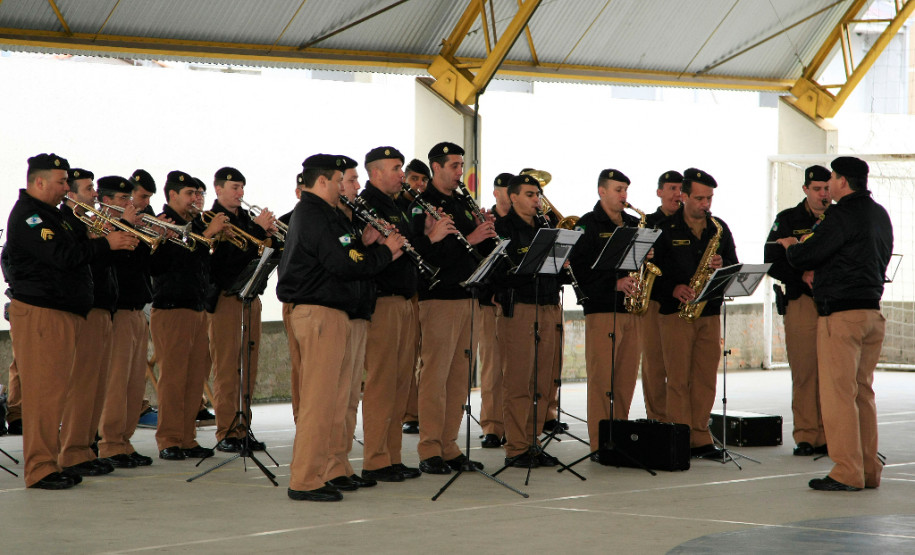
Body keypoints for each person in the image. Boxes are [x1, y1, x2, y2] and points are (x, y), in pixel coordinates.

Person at [6, 153, 137, 489]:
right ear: (38, 182)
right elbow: (63, 257)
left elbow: (78, 249)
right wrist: (105, 244)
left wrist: (103, 239)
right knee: (44, 395)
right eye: (61, 181)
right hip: (42, 312)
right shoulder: (31, 217)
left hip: (64, 311)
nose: (66, 187)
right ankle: (40, 469)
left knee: (56, 391)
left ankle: (50, 463)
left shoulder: (55, 216)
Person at [278, 154, 402, 502]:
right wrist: (385, 253)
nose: (346, 187)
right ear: (322, 182)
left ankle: (327, 469)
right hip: (320, 313)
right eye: (339, 181)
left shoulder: (327, 214)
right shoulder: (313, 213)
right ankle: (305, 479)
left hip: (337, 312)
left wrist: (365, 244)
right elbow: (342, 262)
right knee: (318, 402)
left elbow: (346, 255)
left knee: (337, 400)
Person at [778, 156, 892, 491]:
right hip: (872, 312)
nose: (829, 188)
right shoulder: (879, 214)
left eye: (833, 180)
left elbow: (807, 255)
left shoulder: (840, 215)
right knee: (862, 393)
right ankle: (869, 469)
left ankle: (846, 471)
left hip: (841, 316)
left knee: (838, 394)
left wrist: (792, 246)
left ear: (843, 181)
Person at [409, 141, 497, 474]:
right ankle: (429, 448)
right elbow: (425, 256)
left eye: (461, 165)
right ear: (436, 167)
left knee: (459, 378)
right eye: (455, 166)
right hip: (439, 298)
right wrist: (471, 239)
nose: (461, 172)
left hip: (467, 296)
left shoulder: (460, 201)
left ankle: (449, 445)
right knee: (435, 375)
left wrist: (487, 232)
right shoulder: (422, 205)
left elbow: (476, 248)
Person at [652, 168, 738, 460]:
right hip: (676, 313)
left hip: (709, 311)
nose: (706, 204)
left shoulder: (718, 228)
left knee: (704, 378)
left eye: (709, 198)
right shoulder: (664, 229)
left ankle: (701, 436)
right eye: (699, 198)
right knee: (678, 378)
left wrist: (722, 262)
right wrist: (673, 287)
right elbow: (652, 274)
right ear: (683, 196)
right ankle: (680, 435)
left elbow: (734, 266)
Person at [358, 147, 426, 482]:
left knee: (401, 384)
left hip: (405, 301)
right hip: (382, 303)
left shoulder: (398, 205)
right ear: (376, 172)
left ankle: (393, 456)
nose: (403, 174)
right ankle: (375, 459)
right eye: (396, 168)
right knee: (382, 384)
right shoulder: (365, 205)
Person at [149, 170, 226, 461]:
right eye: (190, 194)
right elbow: (161, 265)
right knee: (173, 378)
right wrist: (206, 236)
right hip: (172, 308)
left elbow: (204, 264)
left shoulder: (193, 225)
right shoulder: (162, 223)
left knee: (194, 378)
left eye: (199, 194)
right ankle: (168, 438)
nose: (197, 199)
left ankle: (186, 437)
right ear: (172, 196)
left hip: (197, 308)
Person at [492, 174, 565, 468]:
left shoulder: (545, 227)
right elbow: (497, 273)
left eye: (538, 194)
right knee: (519, 381)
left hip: (549, 306)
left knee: (544, 381)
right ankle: (516, 447)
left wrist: (563, 264)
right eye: (531, 194)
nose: (537, 200)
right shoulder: (502, 228)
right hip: (520, 308)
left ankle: (533, 442)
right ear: (513, 197)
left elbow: (558, 275)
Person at [568, 169, 641, 454]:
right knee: (602, 381)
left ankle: (619, 436)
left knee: (624, 379)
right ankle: (600, 444)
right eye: (618, 189)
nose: (624, 195)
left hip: (631, 311)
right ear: (602, 191)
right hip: (601, 310)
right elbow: (578, 270)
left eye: (626, 190)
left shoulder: (634, 224)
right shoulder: (587, 225)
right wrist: (615, 282)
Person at [207, 166, 278, 453]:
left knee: (248, 365)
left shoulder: (246, 220)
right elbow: (224, 263)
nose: (240, 193)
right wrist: (258, 230)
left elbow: (263, 252)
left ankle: (243, 428)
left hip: (250, 297)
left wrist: (271, 234)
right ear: (218, 189)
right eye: (234, 187)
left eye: (242, 187)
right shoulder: (210, 219)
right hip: (226, 298)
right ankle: (226, 431)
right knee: (227, 366)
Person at [764, 165, 831, 457]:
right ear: (805, 189)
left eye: (827, 188)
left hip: (833, 301)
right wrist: (800, 276)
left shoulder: (838, 218)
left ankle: (831, 433)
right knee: (804, 371)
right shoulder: (788, 219)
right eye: (817, 189)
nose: (823, 195)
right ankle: (806, 435)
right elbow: (771, 260)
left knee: (832, 373)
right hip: (802, 302)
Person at [57, 169, 119, 477]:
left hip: (103, 306)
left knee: (96, 385)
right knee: (82, 385)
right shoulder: (67, 222)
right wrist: (101, 241)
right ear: (71, 193)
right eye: (88, 188)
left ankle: (86, 447)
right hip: (86, 309)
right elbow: (71, 260)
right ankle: (73, 451)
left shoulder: (87, 221)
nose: (94, 193)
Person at [97, 175, 155, 468]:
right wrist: (130, 228)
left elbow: (144, 266)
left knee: (134, 385)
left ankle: (125, 441)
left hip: (137, 310)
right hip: (118, 312)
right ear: (106, 201)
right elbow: (115, 265)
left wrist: (150, 236)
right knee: (116, 382)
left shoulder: (128, 227)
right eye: (123, 200)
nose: (129, 204)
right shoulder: (103, 228)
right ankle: (109, 443)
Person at [640, 170, 682, 422]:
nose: (677, 194)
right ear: (660, 192)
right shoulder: (648, 222)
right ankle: (657, 420)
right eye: (672, 188)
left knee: (680, 368)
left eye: (680, 189)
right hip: (655, 301)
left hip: (683, 302)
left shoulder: (692, 221)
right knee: (654, 366)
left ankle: (682, 421)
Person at [479, 172, 514, 449]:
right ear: (496, 193)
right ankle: (492, 426)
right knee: (492, 367)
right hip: (492, 301)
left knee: (517, 368)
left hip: (518, 300)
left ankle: (517, 425)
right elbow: (479, 261)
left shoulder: (524, 222)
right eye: (504, 190)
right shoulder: (486, 221)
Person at [400, 158, 431, 435]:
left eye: (423, 180)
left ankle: (422, 408)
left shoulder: (426, 206)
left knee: (426, 353)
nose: (419, 185)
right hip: (405, 290)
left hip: (426, 288)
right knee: (408, 352)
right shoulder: (398, 206)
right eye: (414, 179)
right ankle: (410, 412)